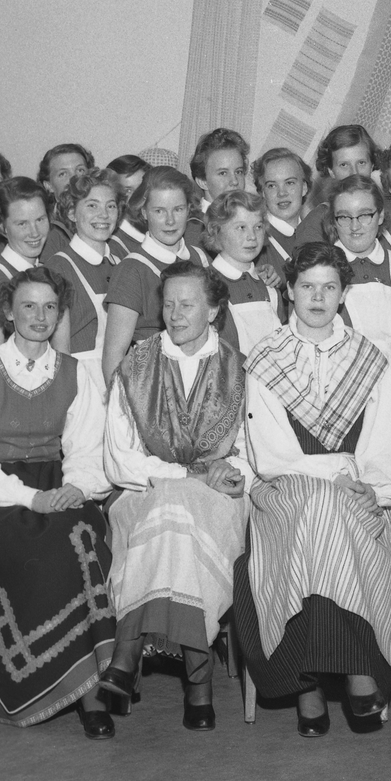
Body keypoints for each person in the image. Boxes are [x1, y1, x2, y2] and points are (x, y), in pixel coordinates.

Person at [234, 243, 391, 736]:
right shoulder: (266, 357)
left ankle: (317, 680)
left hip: (355, 488)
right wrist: (335, 471)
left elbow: (386, 439)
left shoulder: (368, 357)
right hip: (285, 489)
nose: (317, 298)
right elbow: (271, 455)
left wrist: (375, 489)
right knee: (316, 509)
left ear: (343, 294)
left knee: (333, 513)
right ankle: (341, 674)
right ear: (290, 292)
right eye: (307, 287)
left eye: (329, 287)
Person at [0, 267, 117, 737]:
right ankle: (43, 684)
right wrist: (33, 499)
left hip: (58, 482)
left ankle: (92, 689)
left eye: (50, 307)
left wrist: (77, 488)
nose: (40, 316)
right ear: (7, 312)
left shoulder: (74, 371)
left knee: (83, 537)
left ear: (60, 314)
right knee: (41, 552)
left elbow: (86, 450)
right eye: (28, 306)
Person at [100, 261, 251, 731]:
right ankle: (199, 681)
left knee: (177, 510)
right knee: (172, 508)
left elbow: (254, 452)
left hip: (220, 499)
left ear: (214, 310)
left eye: (187, 304)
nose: (175, 314)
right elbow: (120, 462)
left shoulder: (241, 369)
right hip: (143, 493)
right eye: (168, 304)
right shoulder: (135, 366)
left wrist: (232, 473)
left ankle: (126, 651)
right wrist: (190, 476)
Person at [102, 167, 209, 385]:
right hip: (153, 383)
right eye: (159, 211)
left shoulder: (200, 258)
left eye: (178, 209)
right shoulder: (132, 269)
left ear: (189, 209)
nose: (170, 220)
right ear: (144, 212)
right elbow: (114, 354)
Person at [45, 168, 122, 391]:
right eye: (92, 206)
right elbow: (59, 351)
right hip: (81, 382)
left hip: (120, 377)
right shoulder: (58, 268)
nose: (104, 215)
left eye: (111, 206)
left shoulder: (122, 264)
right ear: (71, 213)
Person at [0, 177, 62, 349]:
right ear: (1, 226)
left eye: (40, 220)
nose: (34, 232)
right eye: (22, 224)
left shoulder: (45, 274)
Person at [324, 175, 391, 377]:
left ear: (381, 216)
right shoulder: (320, 269)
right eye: (344, 217)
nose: (355, 226)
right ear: (333, 221)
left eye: (365, 215)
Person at [204, 191, 283, 357]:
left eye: (258, 227)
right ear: (216, 230)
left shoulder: (269, 285)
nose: (252, 236)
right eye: (241, 227)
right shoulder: (205, 285)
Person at [293, 124, 380, 249]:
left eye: (361, 163)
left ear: (372, 165)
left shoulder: (385, 213)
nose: (354, 173)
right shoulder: (318, 221)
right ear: (331, 171)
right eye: (344, 165)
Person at [187, 128, 249, 249]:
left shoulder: (250, 221)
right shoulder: (195, 229)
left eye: (239, 172)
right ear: (203, 181)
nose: (235, 181)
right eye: (223, 173)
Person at [252, 147, 311, 271]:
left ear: (304, 188)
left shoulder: (316, 233)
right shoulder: (256, 240)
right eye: (272, 186)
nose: (282, 193)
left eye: (289, 183)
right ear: (263, 192)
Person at [37, 143, 94, 256]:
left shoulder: (105, 218)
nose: (74, 179)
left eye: (80, 170)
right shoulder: (46, 231)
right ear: (49, 185)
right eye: (63, 174)